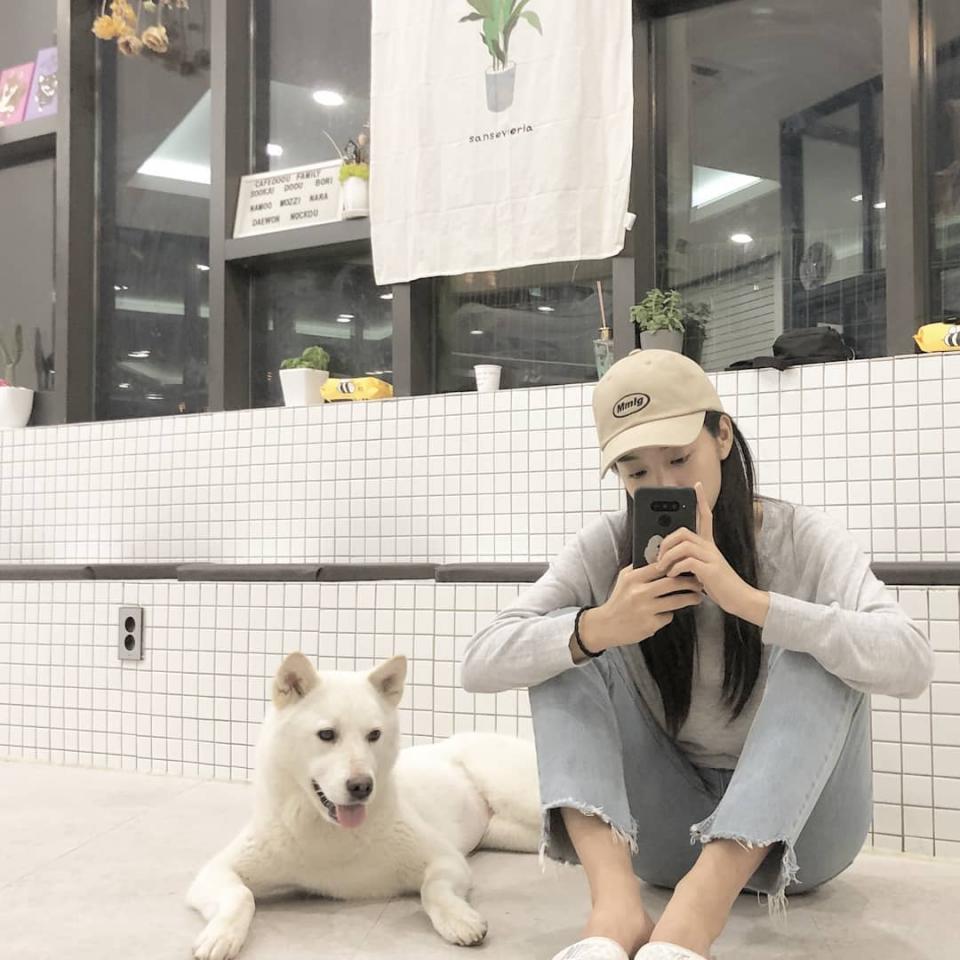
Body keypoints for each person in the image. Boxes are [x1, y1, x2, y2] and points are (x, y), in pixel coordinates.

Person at [461, 350, 934, 960]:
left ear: (723, 436)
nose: (662, 485)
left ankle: (693, 918)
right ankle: (615, 911)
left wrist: (754, 604)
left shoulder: (800, 538)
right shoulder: (606, 547)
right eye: (636, 471)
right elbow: (480, 661)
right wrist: (600, 626)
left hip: (801, 841)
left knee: (816, 641)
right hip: (662, 841)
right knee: (563, 639)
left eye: (680, 459)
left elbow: (912, 662)